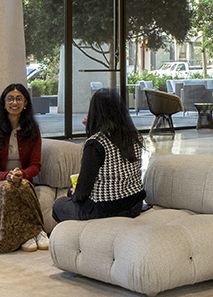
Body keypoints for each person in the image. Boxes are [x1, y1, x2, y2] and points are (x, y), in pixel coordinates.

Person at [0, 83, 49, 250]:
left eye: (19, 99)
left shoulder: (33, 130)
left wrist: (22, 174)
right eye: (10, 99)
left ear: (26, 103)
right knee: (10, 187)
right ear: (4, 102)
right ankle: (29, 233)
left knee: (20, 185)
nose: (14, 103)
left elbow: (36, 166)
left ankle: (35, 232)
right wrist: (6, 176)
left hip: (22, 178)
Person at [52, 88, 146, 223]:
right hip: (134, 204)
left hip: (105, 209)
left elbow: (82, 191)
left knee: (59, 204)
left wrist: (75, 194)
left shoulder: (96, 143)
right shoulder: (135, 135)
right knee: (70, 192)